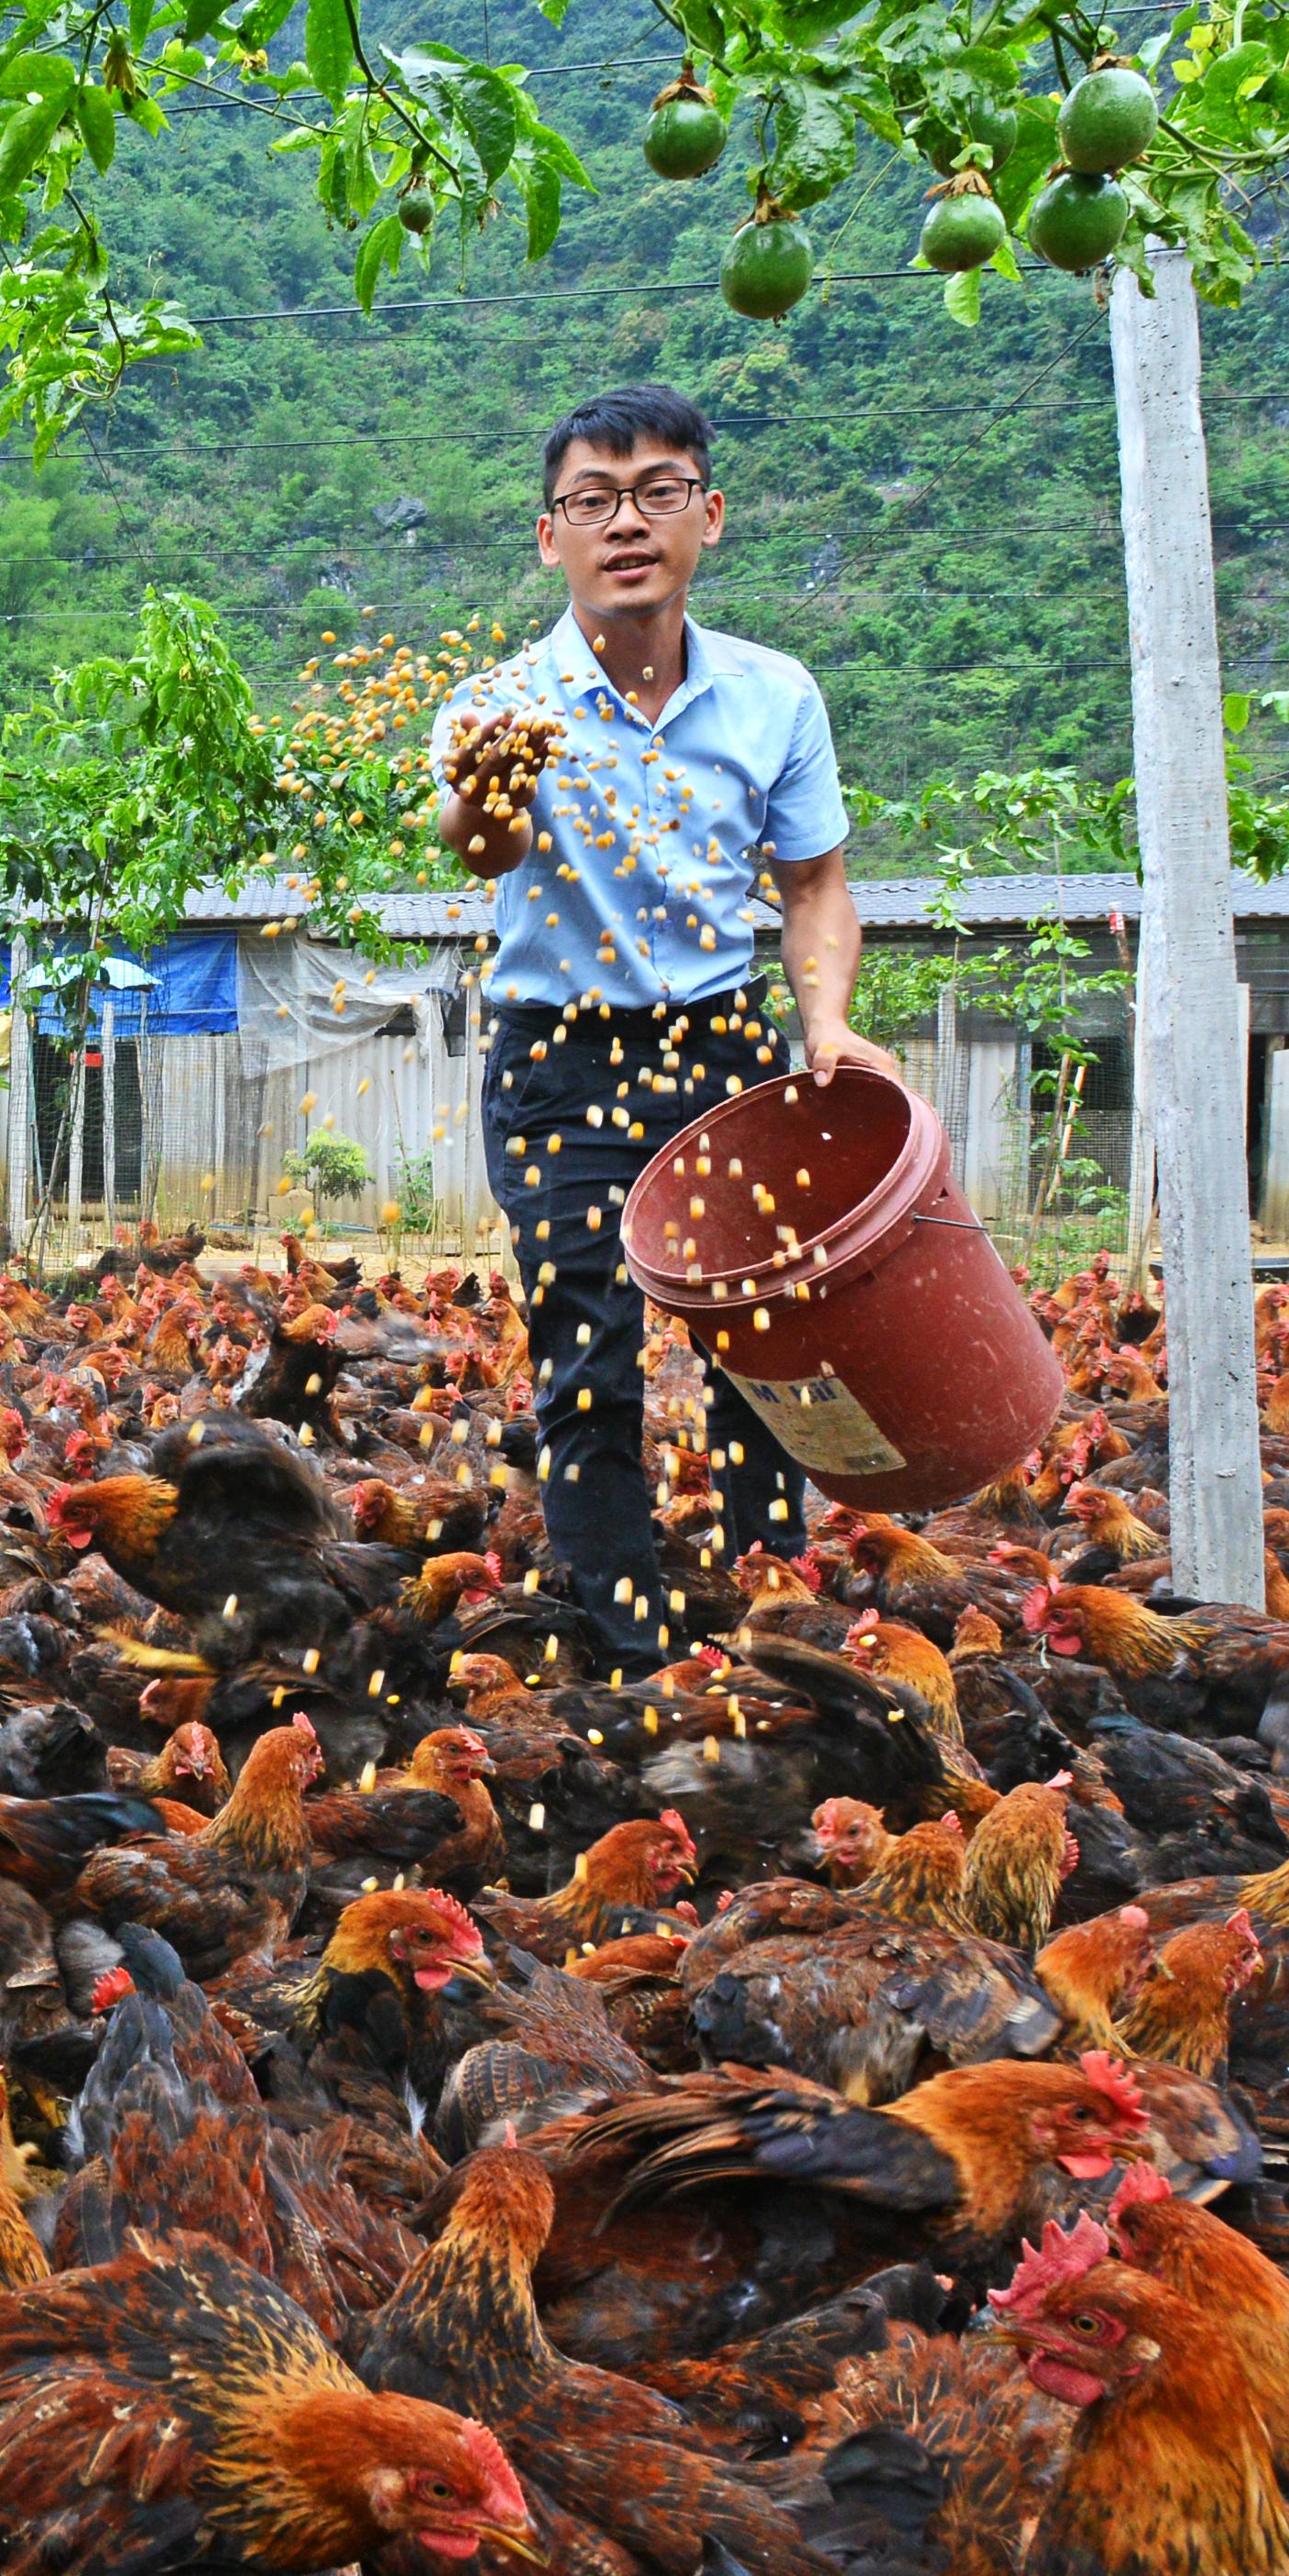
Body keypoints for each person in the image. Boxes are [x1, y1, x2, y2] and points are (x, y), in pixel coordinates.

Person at [435, 383, 888, 1674]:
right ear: (550, 537)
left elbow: (813, 886)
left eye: (656, 493)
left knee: (764, 1339)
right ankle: (620, 1646)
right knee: (588, 1349)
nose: (625, 523)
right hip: (556, 1054)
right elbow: (484, 846)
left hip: (720, 1046)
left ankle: (773, 1608)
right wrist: (485, 791)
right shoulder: (497, 707)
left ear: (709, 515)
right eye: (593, 500)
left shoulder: (773, 697)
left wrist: (829, 1027)